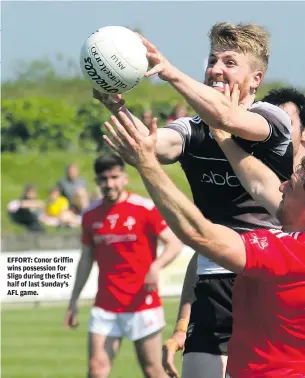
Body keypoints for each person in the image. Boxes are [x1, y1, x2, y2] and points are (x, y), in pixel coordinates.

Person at [94, 22, 293, 378]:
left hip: (266, 280)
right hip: (212, 280)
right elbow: (150, 148)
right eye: (213, 60)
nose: (216, 69)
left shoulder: (271, 119)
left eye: (230, 62)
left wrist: (169, 72)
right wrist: (116, 106)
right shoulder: (192, 128)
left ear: (255, 79)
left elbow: (228, 117)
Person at [102, 110, 305, 378]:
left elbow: (201, 234)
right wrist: (222, 136)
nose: (280, 187)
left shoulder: (290, 251)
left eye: (292, 182)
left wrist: (147, 164)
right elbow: (258, 184)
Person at [64, 153, 182, 378]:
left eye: (114, 177)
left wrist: (155, 267)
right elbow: (86, 259)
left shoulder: (144, 208)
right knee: (96, 370)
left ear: (124, 178)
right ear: (97, 181)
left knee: (152, 370)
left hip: (142, 303)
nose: (109, 184)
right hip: (105, 305)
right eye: (103, 179)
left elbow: (174, 244)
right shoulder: (90, 215)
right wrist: (73, 300)